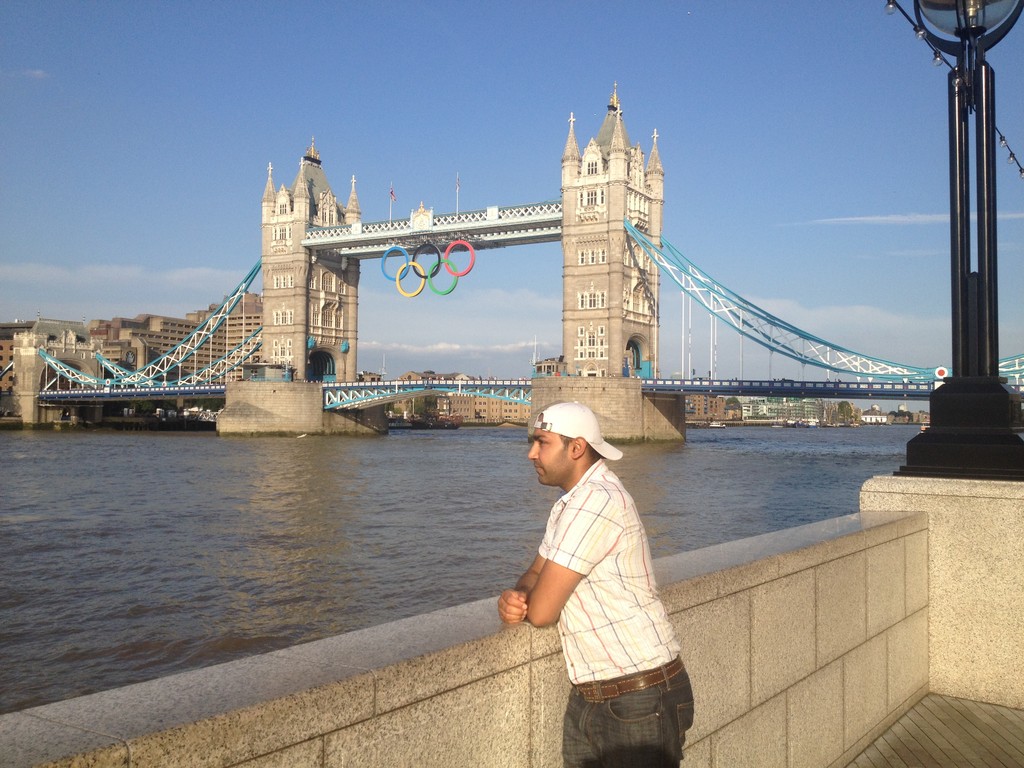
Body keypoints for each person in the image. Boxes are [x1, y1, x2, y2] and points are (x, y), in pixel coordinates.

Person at [498, 401, 694, 767]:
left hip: (639, 696)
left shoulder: (596, 503)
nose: (531, 454)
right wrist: (519, 594)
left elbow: (541, 613)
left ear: (576, 448)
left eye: (542, 442)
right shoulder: (570, 502)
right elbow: (535, 573)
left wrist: (529, 601)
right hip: (596, 693)